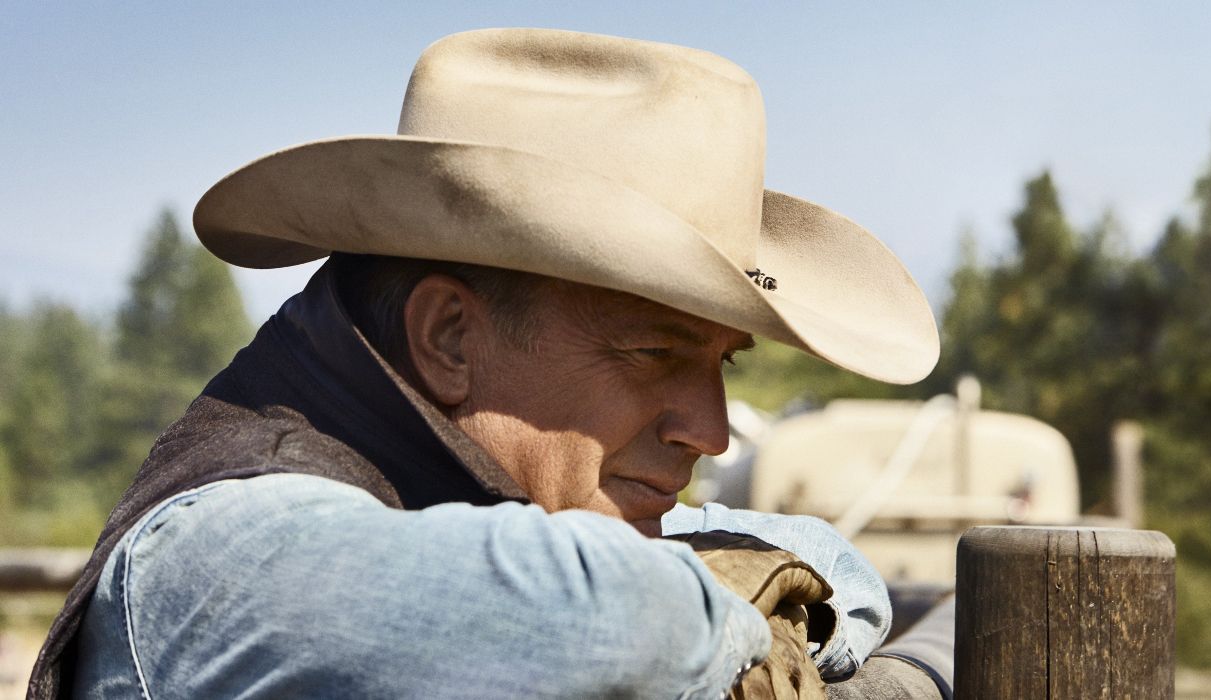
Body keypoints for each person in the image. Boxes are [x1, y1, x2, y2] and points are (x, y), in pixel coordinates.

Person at [29, 28, 951, 698]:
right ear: (449, 339)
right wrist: (737, 600)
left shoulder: (476, 510)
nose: (708, 428)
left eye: (722, 365)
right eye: (654, 351)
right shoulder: (221, 552)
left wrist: (744, 589)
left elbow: (833, 566)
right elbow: (611, 621)